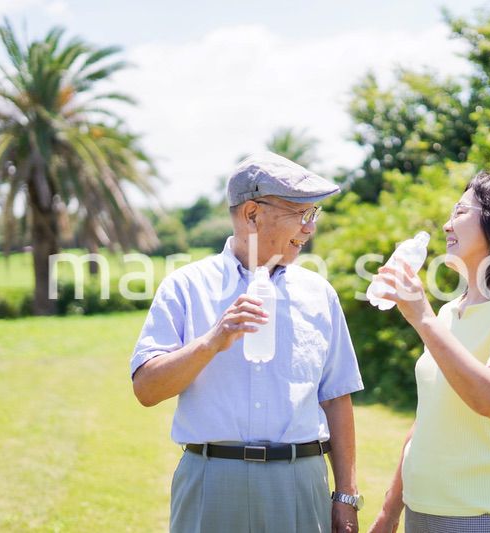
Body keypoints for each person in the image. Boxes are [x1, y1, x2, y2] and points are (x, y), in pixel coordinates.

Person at [131, 152, 364, 533]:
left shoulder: (319, 293)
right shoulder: (186, 286)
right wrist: (211, 341)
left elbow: (337, 397)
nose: (309, 229)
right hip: (212, 480)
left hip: (300, 483)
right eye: (301, 214)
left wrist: (346, 496)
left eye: (314, 215)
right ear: (253, 213)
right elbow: (146, 389)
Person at [368, 168, 490, 533]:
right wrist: (390, 512)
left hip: (480, 517)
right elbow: (427, 421)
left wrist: (421, 317)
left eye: (461, 212)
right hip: (422, 513)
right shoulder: (448, 313)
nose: (447, 225)